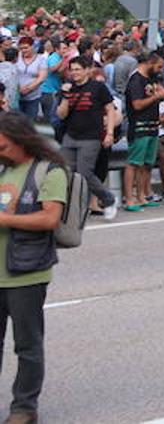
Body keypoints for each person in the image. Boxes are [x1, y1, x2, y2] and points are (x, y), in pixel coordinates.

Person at [0, 111, 70, 424]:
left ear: (22, 140)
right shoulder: (2, 170)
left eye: (3, 147)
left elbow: (49, 219)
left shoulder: (49, 171)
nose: (0, 152)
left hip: (26, 272)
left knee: (27, 345)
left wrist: (4, 220)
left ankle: (24, 408)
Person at [55, 56, 120, 219]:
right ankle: (71, 208)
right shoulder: (68, 89)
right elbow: (61, 115)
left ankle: (109, 199)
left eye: (77, 69)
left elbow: (110, 110)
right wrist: (65, 96)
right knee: (65, 172)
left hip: (91, 137)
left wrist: (110, 133)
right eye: (72, 70)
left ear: (86, 70)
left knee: (85, 172)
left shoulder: (98, 87)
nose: (74, 73)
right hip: (70, 136)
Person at [122, 52, 164, 212]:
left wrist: (163, 96)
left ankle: (143, 195)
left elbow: (156, 96)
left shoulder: (152, 79)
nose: (159, 70)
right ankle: (130, 198)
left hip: (153, 125)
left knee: (147, 164)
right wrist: (156, 96)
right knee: (134, 163)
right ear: (149, 63)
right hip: (139, 127)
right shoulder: (135, 81)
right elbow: (137, 104)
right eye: (158, 67)